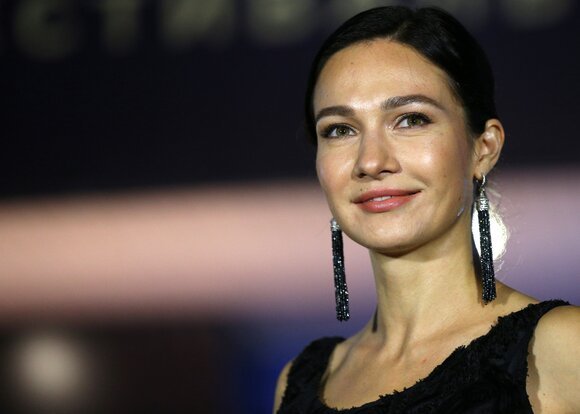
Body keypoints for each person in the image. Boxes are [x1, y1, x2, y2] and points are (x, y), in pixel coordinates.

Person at [273, 6, 580, 414]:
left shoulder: (561, 348)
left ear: (484, 148)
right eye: (340, 130)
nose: (371, 161)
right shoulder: (299, 381)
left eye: (411, 120)